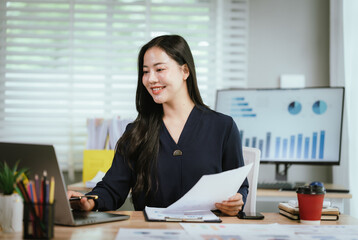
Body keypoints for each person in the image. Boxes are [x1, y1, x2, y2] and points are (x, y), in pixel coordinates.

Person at [68, 35, 249, 216]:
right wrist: (88, 202)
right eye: (145, 72)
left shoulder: (223, 127)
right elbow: (112, 189)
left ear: (185, 71)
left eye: (159, 69)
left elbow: (239, 186)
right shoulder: (136, 132)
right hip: (151, 232)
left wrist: (236, 200)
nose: (150, 79)